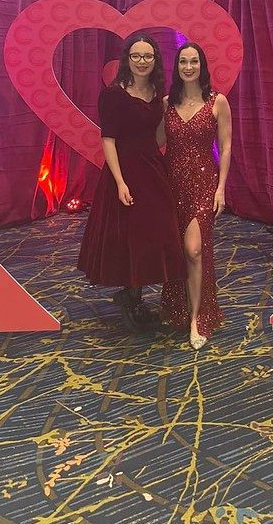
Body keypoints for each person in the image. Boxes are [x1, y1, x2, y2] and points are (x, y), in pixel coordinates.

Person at [78, 34, 186, 331]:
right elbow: (108, 139)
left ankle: (134, 295)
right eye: (136, 56)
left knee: (155, 232)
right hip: (123, 171)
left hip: (152, 168)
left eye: (148, 56)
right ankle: (131, 296)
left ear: (155, 61)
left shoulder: (157, 93)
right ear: (127, 59)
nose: (142, 62)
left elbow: (157, 138)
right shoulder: (114, 94)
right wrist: (120, 181)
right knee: (128, 234)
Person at [159, 42, 232, 349]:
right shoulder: (167, 103)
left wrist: (221, 187)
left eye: (194, 62)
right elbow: (155, 141)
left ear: (202, 66)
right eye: (183, 62)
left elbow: (226, 146)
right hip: (170, 184)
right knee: (178, 252)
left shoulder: (217, 102)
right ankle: (180, 307)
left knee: (194, 250)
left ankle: (196, 318)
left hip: (203, 183)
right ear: (176, 68)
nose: (188, 67)